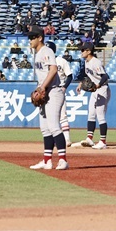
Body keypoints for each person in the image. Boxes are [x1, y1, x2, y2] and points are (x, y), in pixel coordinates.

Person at [26, 25, 68, 171]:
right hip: (45, 93)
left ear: (40, 38)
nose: (30, 40)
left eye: (32, 37)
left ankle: (63, 160)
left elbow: (53, 70)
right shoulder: (36, 54)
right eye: (29, 37)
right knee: (45, 128)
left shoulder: (47, 50)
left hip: (54, 92)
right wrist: (39, 89)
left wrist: (42, 87)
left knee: (54, 126)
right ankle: (47, 161)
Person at [75, 43, 111, 150]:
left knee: (100, 115)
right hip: (95, 90)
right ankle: (89, 139)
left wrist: (98, 85)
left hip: (102, 89)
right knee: (91, 113)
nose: (81, 52)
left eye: (83, 50)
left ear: (89, 51)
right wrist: (81, 83)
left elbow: (105, 76)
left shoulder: (96, 62)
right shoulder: (87, 61)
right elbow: (88, 76)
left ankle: (103, 142)